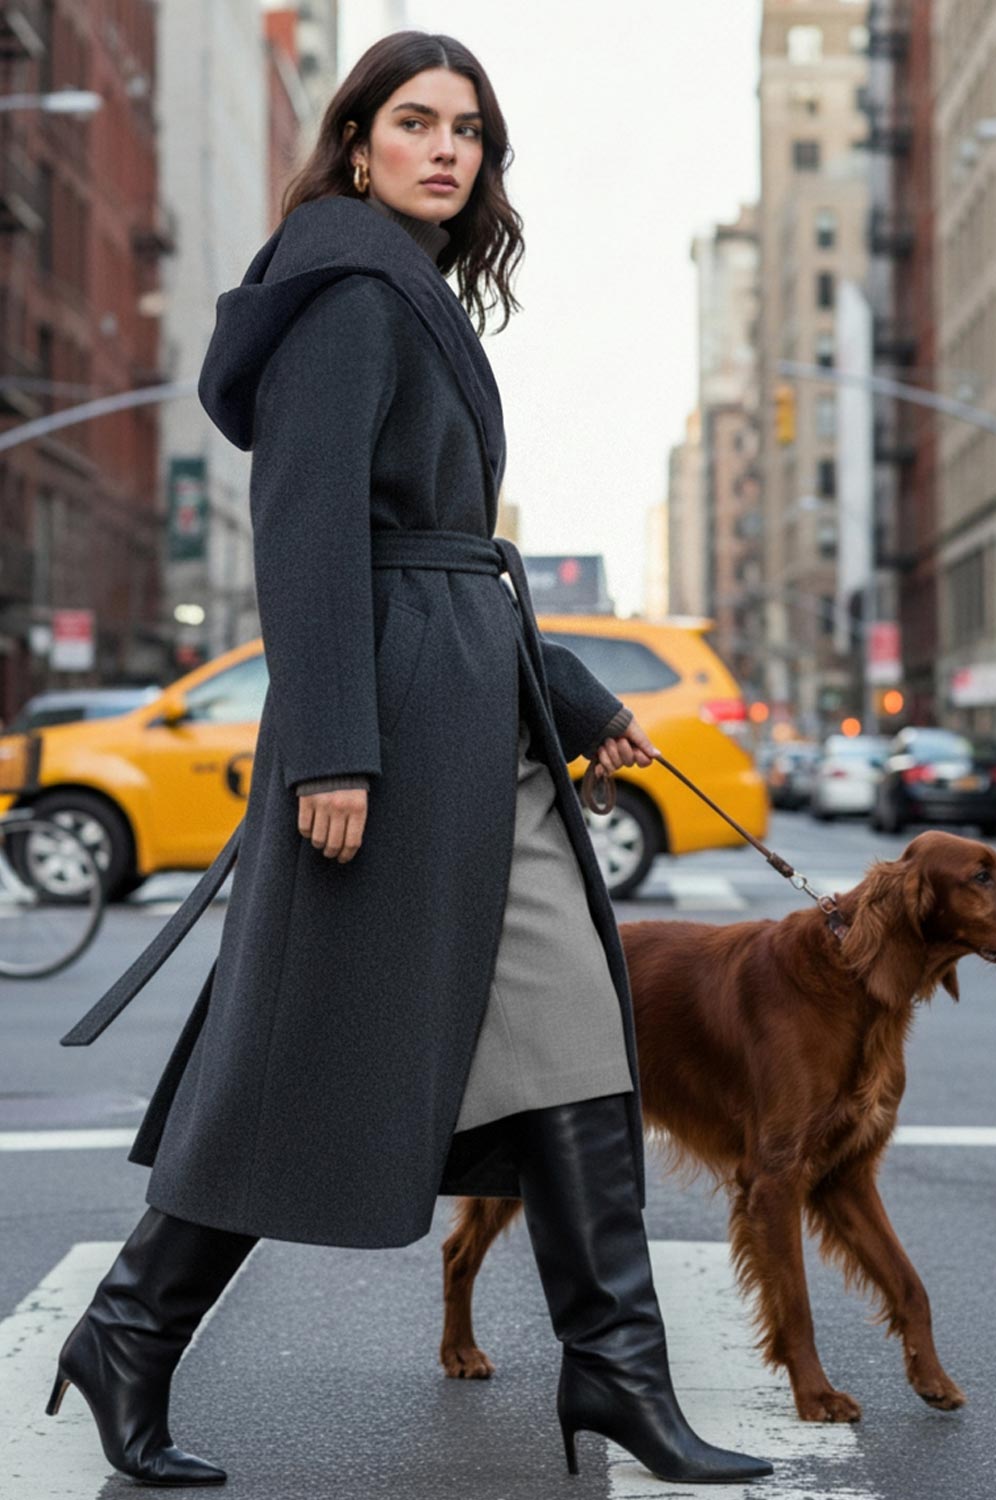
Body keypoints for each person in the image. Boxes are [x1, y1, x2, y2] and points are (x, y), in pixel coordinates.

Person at [45, 31, 772, 1489]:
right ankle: (131, 1325)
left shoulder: (407, 291)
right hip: (383, 735)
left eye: (471, 132)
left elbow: (448, 553)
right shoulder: (347, 294)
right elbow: (310, 531)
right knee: (302, 1061)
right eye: (416, 122)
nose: (448, 149)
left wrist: (560, 693)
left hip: (468, 728)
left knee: (575, 1032)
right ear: (358, 139)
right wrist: (329, 750)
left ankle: (619, 1375)